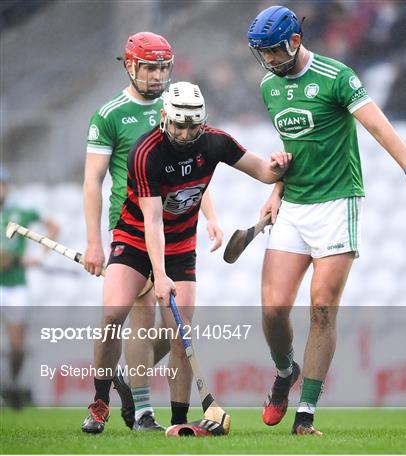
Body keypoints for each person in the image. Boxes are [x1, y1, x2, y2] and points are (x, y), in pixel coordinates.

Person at [247, 5, 406, 436]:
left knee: (322, 308)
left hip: (338, 203)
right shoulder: (269, 86)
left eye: (273, 52)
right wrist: (275, 188)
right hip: (295, 205)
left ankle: (306, 415)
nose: (267, 61)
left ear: (295, 42)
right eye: (261, 54)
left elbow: (380, 128)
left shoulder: (337, 76)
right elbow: (294, 145)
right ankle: (285, 372)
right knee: (272, 310)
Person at [81, 80, 291, 435]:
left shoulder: (215, 142)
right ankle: (102, 402)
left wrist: (279, 168)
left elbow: (262, 170)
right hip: (134, 239)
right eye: (179, 124)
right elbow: (152, 221)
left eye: (193, 124)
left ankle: (178, 423)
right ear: (165, 118)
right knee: (114, 313)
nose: (185, 132)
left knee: (181, 334)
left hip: (180, 245)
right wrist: (159, 275)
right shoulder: (146, 152)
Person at [82, 32, 222, 433]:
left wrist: (210, 214)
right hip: (129, 225)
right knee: (130, 314)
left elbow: (197, 168)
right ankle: (128, 408)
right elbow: (92, 181)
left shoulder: (177, 105)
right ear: (130, 66)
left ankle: (129, 381)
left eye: (164, 67)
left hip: (175, 227)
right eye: (150, 67)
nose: (159, 75)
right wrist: (94, 241)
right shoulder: (110, 114)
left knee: (170, 327)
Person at [0, 164, 59, 409]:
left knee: (17, 346)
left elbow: (53, 225)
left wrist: (41, 256)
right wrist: (15, 259)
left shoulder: (19, 212)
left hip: (15, 286)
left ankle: (12, 386)